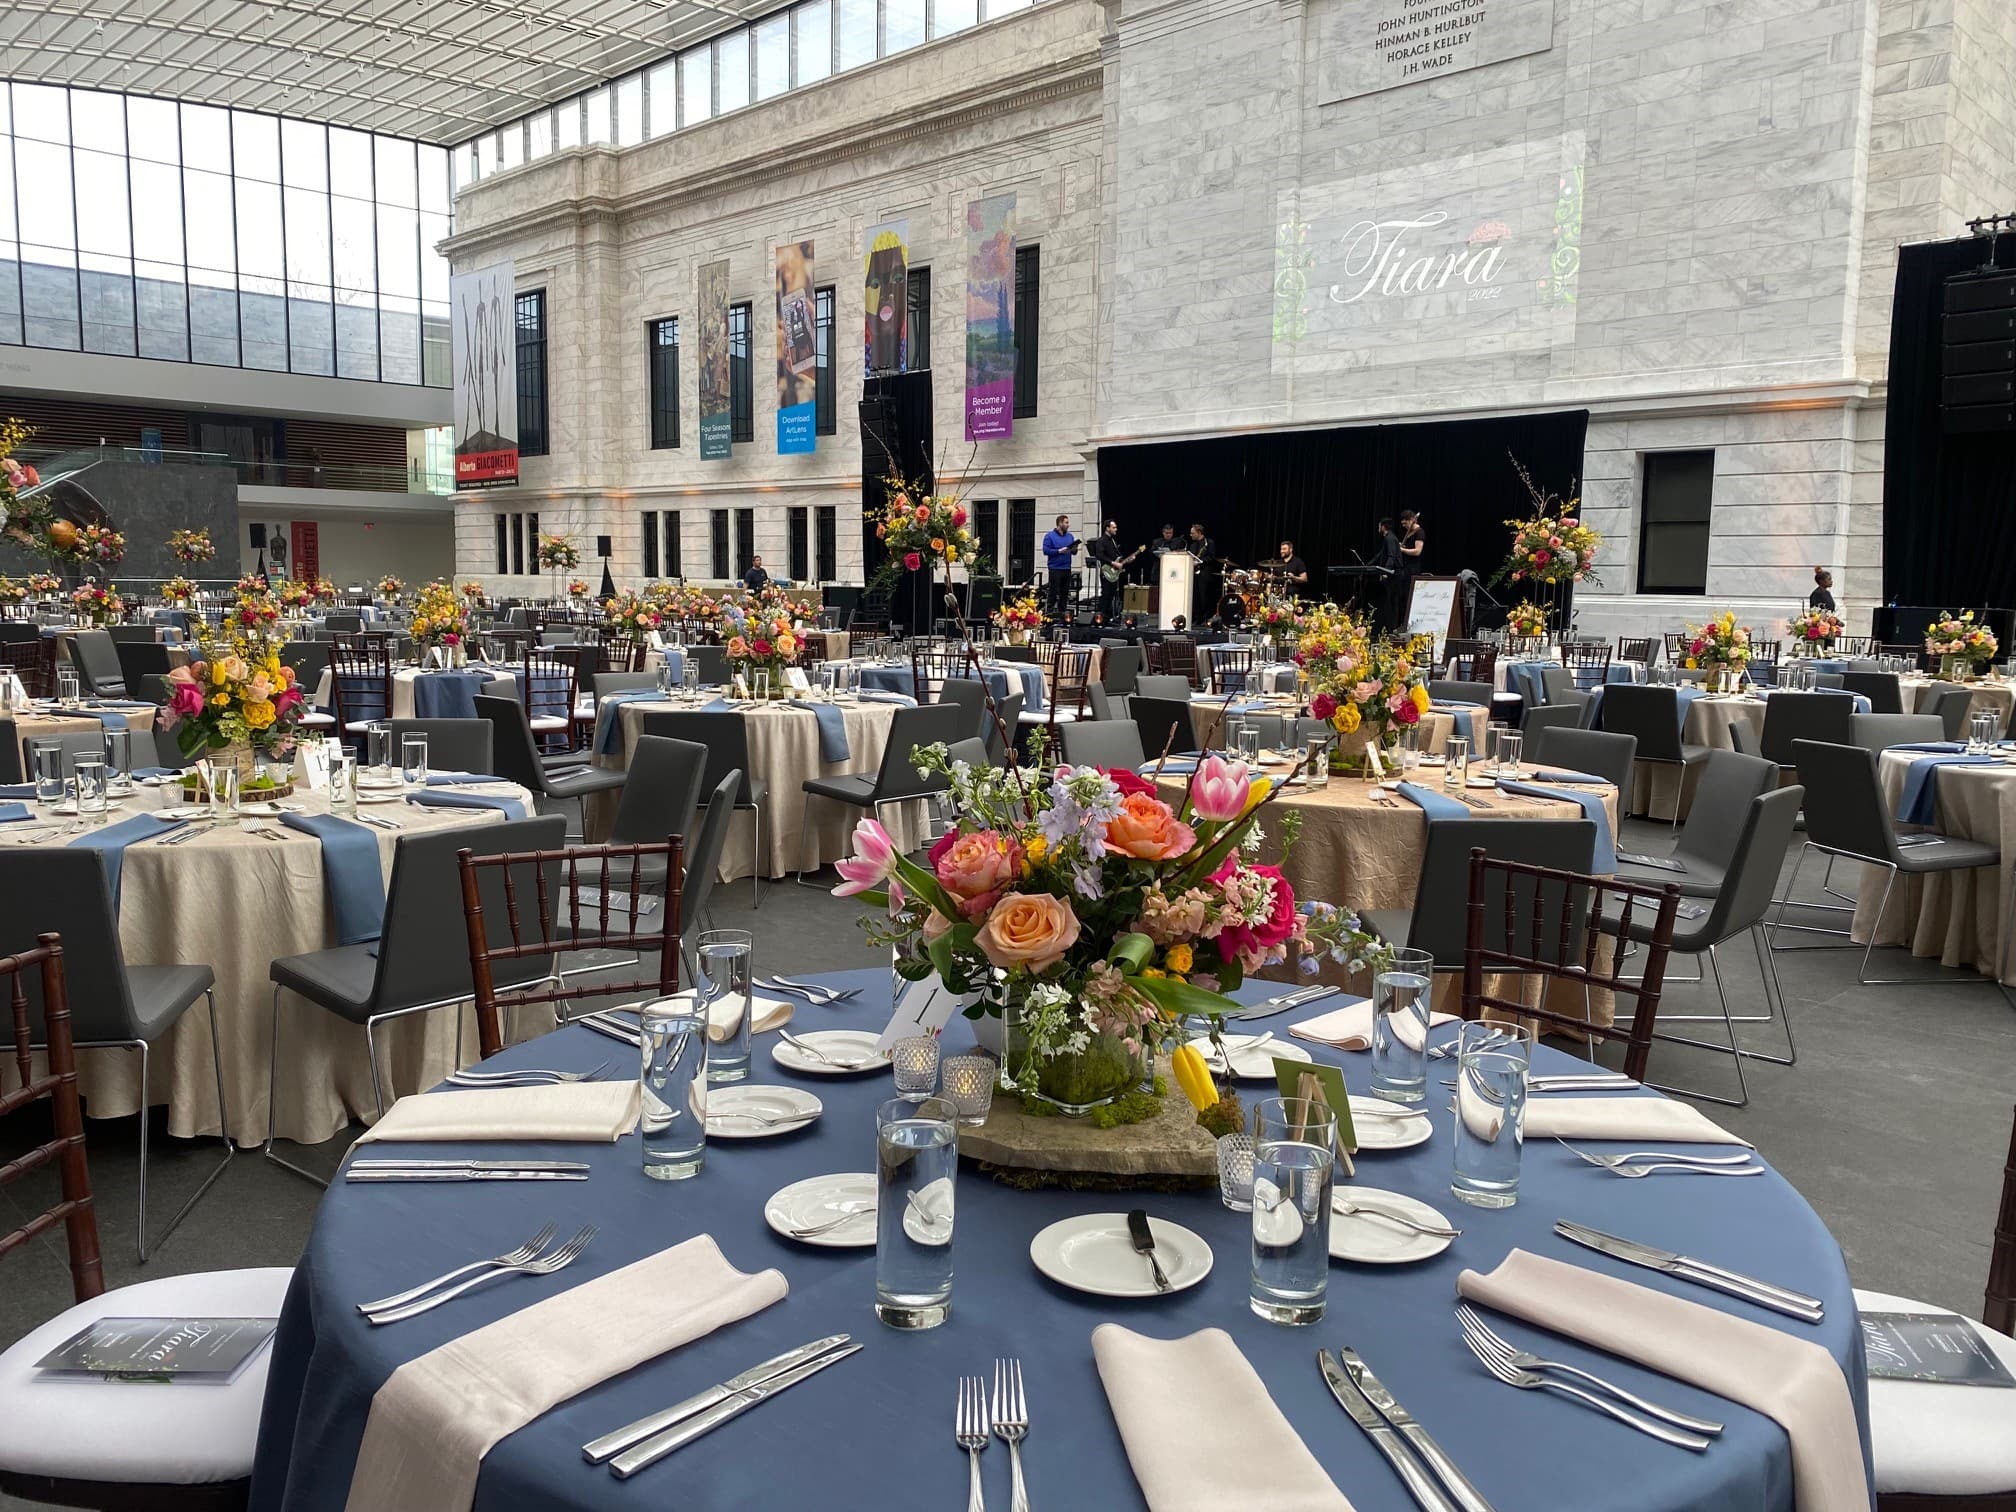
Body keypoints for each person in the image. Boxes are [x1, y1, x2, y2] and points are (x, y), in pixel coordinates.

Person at [1089, 519, 1131, 621]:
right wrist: (1112, 563)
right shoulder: (1101, 541)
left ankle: (1108, 617)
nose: (1116, 529)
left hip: (1113, 572)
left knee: (1111, 594)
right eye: (1114, 527)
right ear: (1107, 528)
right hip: (1106, 571)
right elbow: (1099, 555)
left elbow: (1116, 556)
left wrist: (1126, 560)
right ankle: (1100, 617)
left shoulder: (1112, 540)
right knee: (1106, 594)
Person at [1041, 514, 1080, 619]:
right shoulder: (1049, 536)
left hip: (1066, 568)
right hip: (1055, 568)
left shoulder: (1070, 536)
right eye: (1066, 523)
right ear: (1060, 523)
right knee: (1053, 592)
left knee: (1064, 593)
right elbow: (1046, 551)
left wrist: (1075, 548)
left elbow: (1073, 552)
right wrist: (1059, 551)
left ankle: (1063, 615)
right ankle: (1049, 615)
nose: (1068, 525)